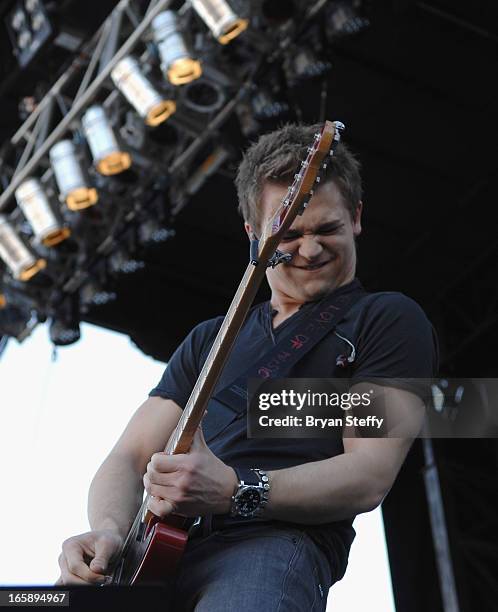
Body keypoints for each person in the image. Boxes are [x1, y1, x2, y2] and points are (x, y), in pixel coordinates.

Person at [57, 123, 438, 610]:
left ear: (357, 217)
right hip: (149, 560)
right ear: (254, 235)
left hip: (270, 548)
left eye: (327, 229)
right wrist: (108, 531)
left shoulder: (386, 319)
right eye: (290, 234)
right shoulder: (208, 339)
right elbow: (128, 458)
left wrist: (237, 489)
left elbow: (368, 473)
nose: (311, 249)